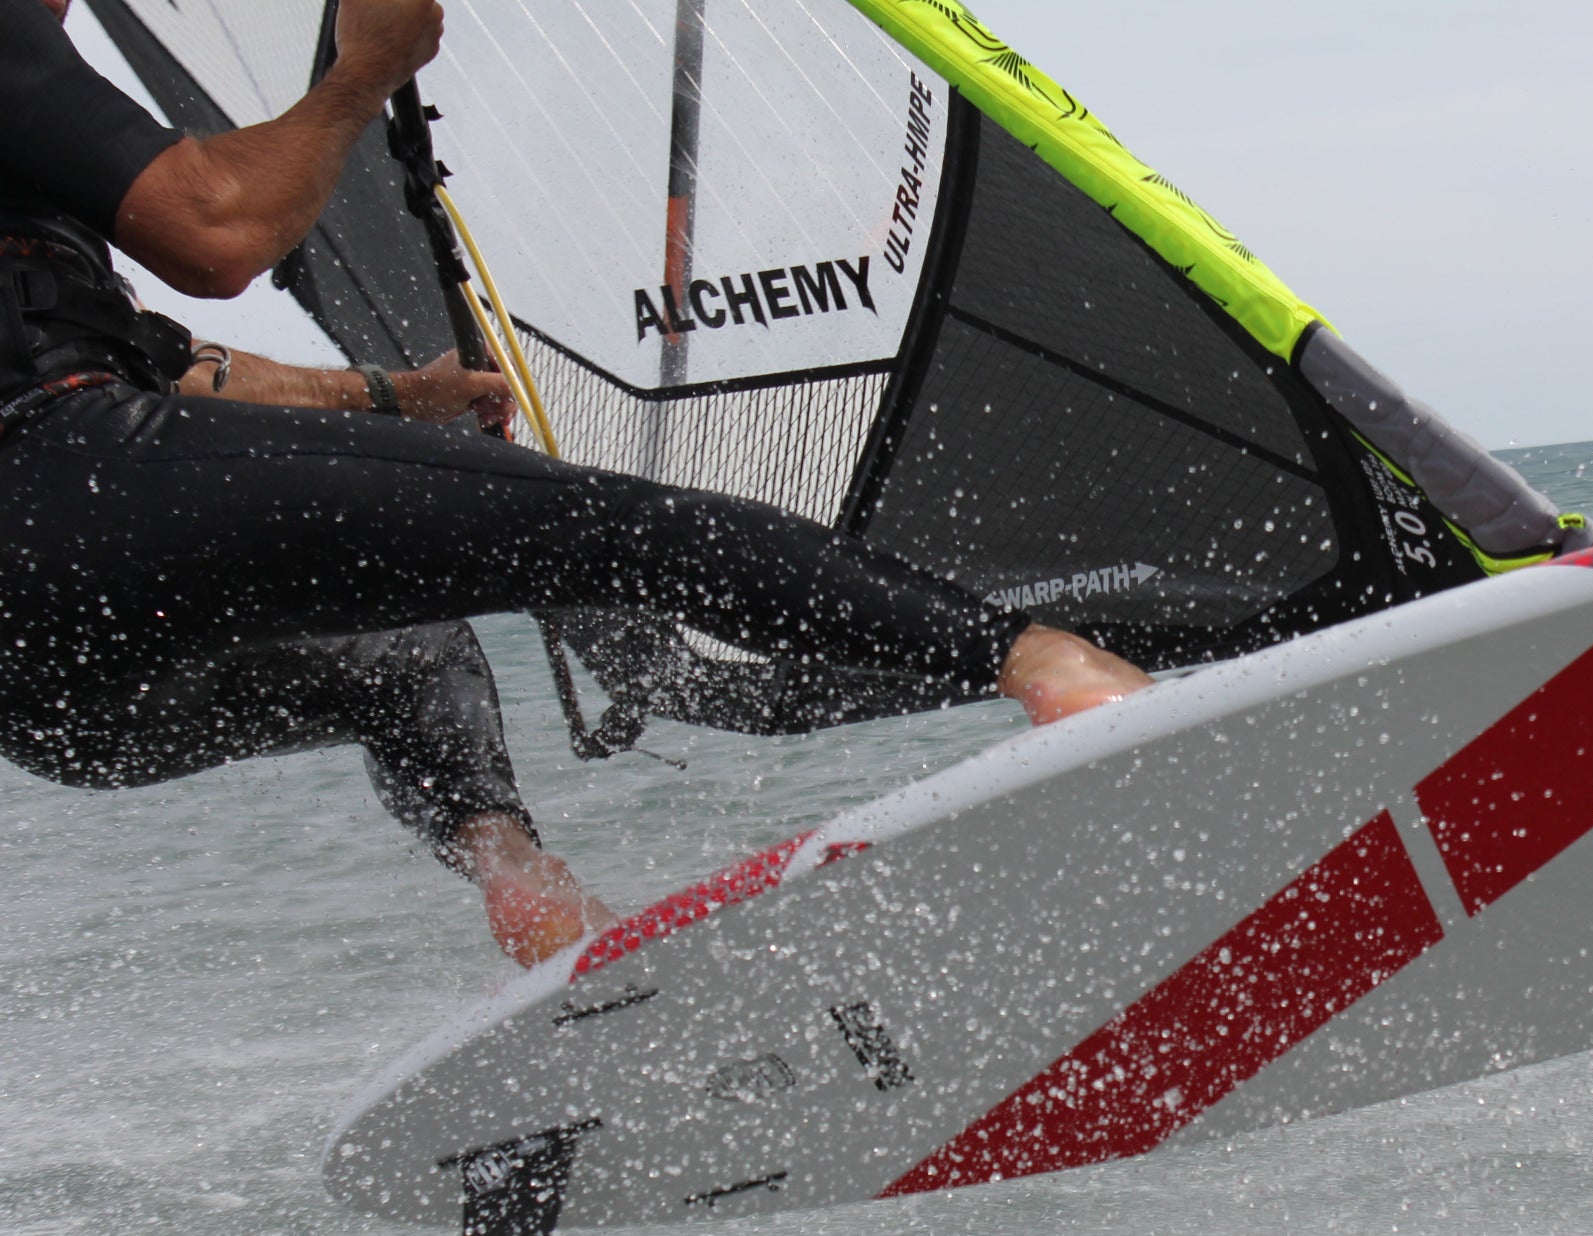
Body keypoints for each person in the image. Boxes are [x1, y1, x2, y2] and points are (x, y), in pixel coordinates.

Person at [0, 0, 1152, 966]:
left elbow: (176, 363)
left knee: (407, 655)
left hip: (44, 690)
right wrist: (366, 74)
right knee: (612, 529)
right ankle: (1054, 668)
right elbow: (216, 225)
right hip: (59, 474)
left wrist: (398, 397)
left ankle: (528, 893)